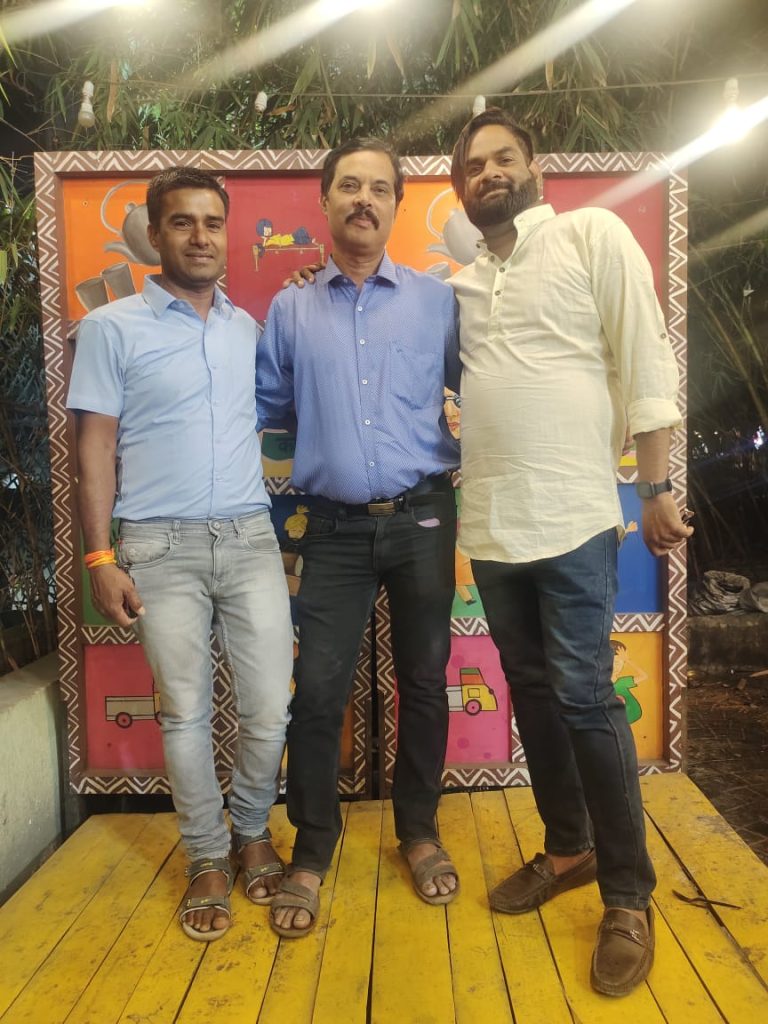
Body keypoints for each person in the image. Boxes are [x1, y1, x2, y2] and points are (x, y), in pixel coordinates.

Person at [448, 108, 692, 996]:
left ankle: (628, 896)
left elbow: (645, 360)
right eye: (473, 167)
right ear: (461, 190)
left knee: (586, 696)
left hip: (577, 514)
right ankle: (568, 848)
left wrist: (656, 487)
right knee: (534, 693)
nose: (488, 173)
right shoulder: (463, 285)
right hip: (493, 524)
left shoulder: (592, 235)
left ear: (534, 168)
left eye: (503, 158)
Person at [66, 167, 294, 942]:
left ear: (225, 232)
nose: (199, 236)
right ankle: (205, 854)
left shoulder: (246, 330)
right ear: (155, 234)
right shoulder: (111, 328)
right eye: (181, 222)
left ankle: (252, 830)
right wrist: (100, 559)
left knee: (269, 708)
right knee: (185, 713)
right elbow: (93, 449)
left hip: (249, 538)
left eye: (211, 222)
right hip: (156, 545)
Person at [256, 138, 462, 938]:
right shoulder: (290, 309)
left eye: (380, 187)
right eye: (350, 185)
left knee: (425, 681)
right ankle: (312, 847)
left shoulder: (437, 302)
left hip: (424, 518)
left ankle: (419, 831)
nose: (364, 199)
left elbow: (481, 383)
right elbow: (269, 407)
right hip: (332, 525)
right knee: (317, 691)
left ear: (398, 205)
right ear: (326, 200)